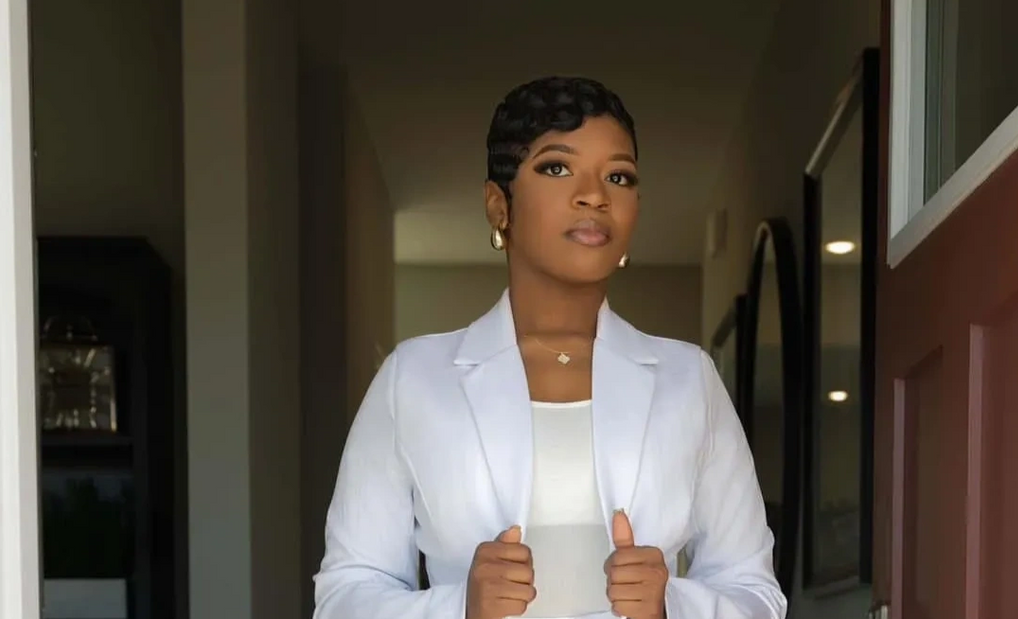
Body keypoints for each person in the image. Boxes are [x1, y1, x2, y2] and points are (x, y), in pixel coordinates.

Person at [313, 76, 785, 619]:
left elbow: (756, 591)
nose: (595, 194)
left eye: (619, 175)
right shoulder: (414, 379)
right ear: (499, 206)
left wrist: (671, 605)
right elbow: (345, 593)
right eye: (557, 168)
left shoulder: (688, 379)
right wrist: (458, 610)